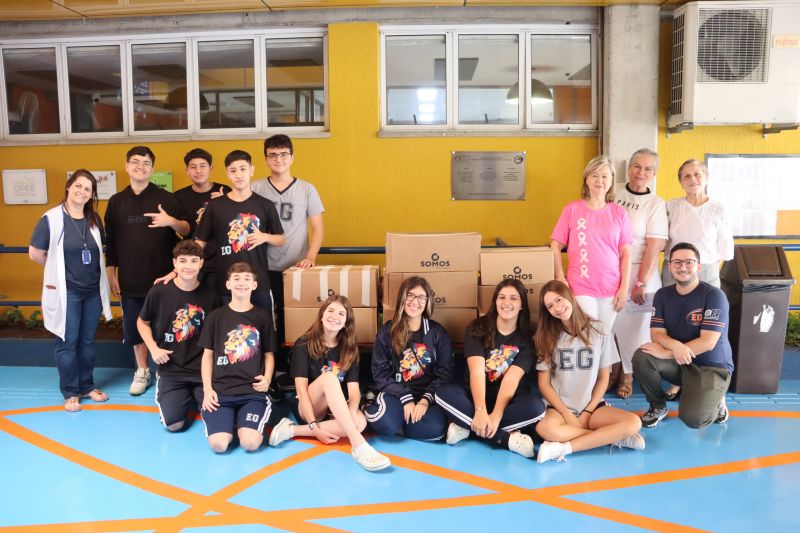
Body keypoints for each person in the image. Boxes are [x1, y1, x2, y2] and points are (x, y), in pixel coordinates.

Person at [105, 146, 191, 396]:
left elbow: (187, 229)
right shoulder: (116, 202)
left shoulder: (166, 198)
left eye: (146, 163)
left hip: (163, 278)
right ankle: (142, 371)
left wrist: (170, 221)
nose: (140, 166)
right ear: (127, 166)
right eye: (135, 161)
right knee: (136, 328)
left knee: (169, 326)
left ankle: (169, 372)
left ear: (152, 169)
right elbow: (111, 242)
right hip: (130, 278)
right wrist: (111, 274)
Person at [269, 295, 390, 472]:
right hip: (309, 407)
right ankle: (359, 446)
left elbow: (354, 391)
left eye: (341, 314)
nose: (335, 316)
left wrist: (351, 411)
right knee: (329, 377)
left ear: (346, 322)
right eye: (330, 311)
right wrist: (313, 425)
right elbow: (301, 391)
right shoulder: (303, 344)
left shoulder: (349, 348)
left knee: (360, 422)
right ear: (321, 315)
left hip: (334, 409)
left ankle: (292, 430)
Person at [29, 170, 113, 412]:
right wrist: (57, 269)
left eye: (88, 189)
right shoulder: (51, 218)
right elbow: (35, 254)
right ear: (68, 186)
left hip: (92, 291)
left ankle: (87, 386)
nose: (82, 192)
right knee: (67, 342)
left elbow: (98, 251)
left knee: (87, 342)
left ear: (92, 194)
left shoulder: (94, 219)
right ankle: (70, 392)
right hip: (68, 292)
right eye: (78, 186)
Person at [533, 280, 644, 464]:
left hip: (592, 406)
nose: (557, 308)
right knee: (545, 429)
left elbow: (603, 378)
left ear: (570, 296)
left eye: (559, 300)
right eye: (550, 306)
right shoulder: (546, 336)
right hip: (560, 409)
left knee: (634, 423)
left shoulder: (599, 330)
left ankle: (564, 448)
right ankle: (611, 437)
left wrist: (587, 411)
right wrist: (567, 414)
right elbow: (544, 385)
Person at [435, 279, 545, 458]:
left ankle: (466, 426)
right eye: (502, 297)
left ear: (522, 305)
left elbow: (511, 379)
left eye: (513, 298)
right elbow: (477, 372)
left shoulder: (527, 338)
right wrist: (480, 410)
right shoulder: (478, 328)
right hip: (475, 399)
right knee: (442, 393)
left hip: (509, 402)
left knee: (537, 408)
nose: (506, 302)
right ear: (495, 301)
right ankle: (505, 439)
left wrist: (496, 415)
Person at [633, 242, 733, 429]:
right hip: (681, 363)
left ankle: (717, 400)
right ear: (670, 266)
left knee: (694, 419)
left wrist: (668, 353)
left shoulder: (714, 295)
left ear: (699, 266)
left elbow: (708, 342)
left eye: (689, 262)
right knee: (643, 356)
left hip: (710, 367)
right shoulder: (662, 295)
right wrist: (676, 347)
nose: (683, 267)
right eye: (677, 262)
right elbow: (657, 334)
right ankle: (657, 406)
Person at [659, 159, 733, 401]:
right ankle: (678, 380)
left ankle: (709, 378)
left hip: (706, 271)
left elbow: (726, 249)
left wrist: (705, 271)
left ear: (706, 177)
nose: (692, 179)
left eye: (697, 174)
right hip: (673, 270)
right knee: (674, 325)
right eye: (687, 176)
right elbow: (661, 240)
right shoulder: (671, 206)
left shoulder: (718, 209)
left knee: (705, 328)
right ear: (681, 181)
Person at [252, 134, 325, 376]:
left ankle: (297, 368)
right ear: (266, 159)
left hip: (296, 268)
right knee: (267, 318)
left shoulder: (306, 189)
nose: (278, 159)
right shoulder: (256, 188)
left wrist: (311, 257)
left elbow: (318, 228)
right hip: (263, 267)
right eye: (272, 155)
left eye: (284, 154)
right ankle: (272, 369)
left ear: (292, 157)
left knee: (294, 318)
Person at [137, 240, 221, 431]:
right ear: (174, 263)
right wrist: (153, 348)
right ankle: (175, 397)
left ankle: (193, 396)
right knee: (174, 425)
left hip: (202, 371)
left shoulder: (211, 296)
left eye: (193, 261)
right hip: (171, 370)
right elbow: (142, 322)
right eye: (183, 261)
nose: (188, 266)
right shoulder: (159, 291)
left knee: (216, 418)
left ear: (201, 263)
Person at [198, 262, 276, 453]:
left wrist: (267, 379)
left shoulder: (263, 316)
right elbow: (207, 356)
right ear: (228, 284)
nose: (241, 283)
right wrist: (207, 389)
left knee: (250, 443)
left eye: (247, 278)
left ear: (254, 285)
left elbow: (269, 354)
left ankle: (242, 423)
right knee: (219, 445)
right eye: (236, 278)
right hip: (221, 393)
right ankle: (229, 422)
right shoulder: (215, 317)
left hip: (252, 392)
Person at [550, 155, 632, 334]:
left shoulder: (620, 213)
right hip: (580, 286)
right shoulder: (572, 209)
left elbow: (626, 254)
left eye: (605, 176)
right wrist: (560, 276)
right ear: (586, 179)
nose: (599, 181)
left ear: (611, 181)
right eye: (594, 175)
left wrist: (624, 288)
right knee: (588, 336)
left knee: (604, 337)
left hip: (611, 288)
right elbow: (555, 245)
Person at [195, 150, 286, 312]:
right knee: (226, 327)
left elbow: (281, 239)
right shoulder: (215, 206)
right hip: (226, 283)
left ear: (251, 170)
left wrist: (264, 237)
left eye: (243, 169)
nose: (238, 175)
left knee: (262, 326)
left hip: (258, 283)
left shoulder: (265, 205)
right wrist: (178, 269)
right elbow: (200, 242)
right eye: (233, 170)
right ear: (227, 174)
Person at [365, 277, 453, 442]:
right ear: (402, 298)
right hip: (396, 394)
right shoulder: (387, 331)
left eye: (421, 297)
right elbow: (380, 373)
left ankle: (401, 425)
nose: (415, 301)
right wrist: (405, 398)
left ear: (428, 301)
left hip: (426, 395)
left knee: (436, 430)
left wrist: (425, 401)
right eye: (410, 295)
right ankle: (394, 419)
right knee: (383, 422)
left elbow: (445, 373)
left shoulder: (437, 332)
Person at [611, 149, 668, 399]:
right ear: (629, 168)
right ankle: (611, 370)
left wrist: (640, 282)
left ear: (654, 174)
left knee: (637, 328)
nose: (641, 173)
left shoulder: (655, 203)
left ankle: (629, 374)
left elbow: (654, 246)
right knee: (611, 324)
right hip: (612, 268)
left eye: (647, 169)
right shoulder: (614, 192)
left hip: (641, 273)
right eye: (637, 166)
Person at [173, 148, 230, 291]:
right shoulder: (178, 197)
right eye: (193, 167)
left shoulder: (226, 191)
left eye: (203, 166)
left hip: (221, 261)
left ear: (211, 168)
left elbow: (234, 225)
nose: (198, 171)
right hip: (192, 263)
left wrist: (226, 204)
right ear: (187, 170)